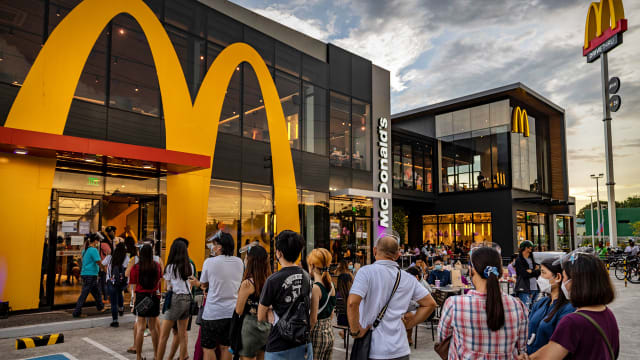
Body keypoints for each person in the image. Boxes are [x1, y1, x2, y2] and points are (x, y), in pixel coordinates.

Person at [348, 234, 436, 360]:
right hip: (400, 348)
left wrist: (355, 331)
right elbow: (430, 304)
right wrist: (411, 323)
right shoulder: (408, 278)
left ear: (374, 250)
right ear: (398, 255)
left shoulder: (365, 272)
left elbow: (352, 303)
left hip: (373, 349)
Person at [521, 250, 619, 360]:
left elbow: (548, 356)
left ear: (576, 282)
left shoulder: (573, 321)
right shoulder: (608, 314)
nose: (563, 283)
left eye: (564, 278)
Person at [438, 244, 529, 358]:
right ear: (500, 271)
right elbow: (522, 347)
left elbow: (442, 338)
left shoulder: (454, 304)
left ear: (471, 270)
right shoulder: (518, 306)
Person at [258, 230, 313, 359]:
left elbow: (260, 316)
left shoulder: (272, 280)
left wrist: (270, 311)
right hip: (304, 344)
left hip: (278, 345)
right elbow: (313, 317)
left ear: (279, 253)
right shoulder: (308, 278)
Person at [199, 232, 243, 360]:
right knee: (226, 347)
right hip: (231, 313)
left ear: (219, 247)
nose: (212, 247)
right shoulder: (239, 262)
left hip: (212, 313)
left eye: (214, 245)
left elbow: (203, 282)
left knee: (208, 348)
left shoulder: (209, 262)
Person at [156, 239, 196, 360]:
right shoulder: (189, 266)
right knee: (182, 334)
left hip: (176, 299)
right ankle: (183, 356)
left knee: (164, 335)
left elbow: (167, 287)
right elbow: (191, 282)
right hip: (187, 299)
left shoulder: (170, 267)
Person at [526, 257, 575, 354]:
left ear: (558, 277)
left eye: (543, 273)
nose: (540, 278)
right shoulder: (542, 303)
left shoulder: (568, 308)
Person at [234, 245, 272, 360]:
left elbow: (239, 310)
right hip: (266, 327)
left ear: (250, 261)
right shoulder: (269, 281)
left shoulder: (247, 283)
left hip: (250, 327)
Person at [130, 243, 163, 360]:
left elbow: (133, 287)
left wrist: (134, 301)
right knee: (153, 328)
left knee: (140, 328)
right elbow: (159, 281)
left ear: (141, 253)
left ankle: (138, 356)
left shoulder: (135, 267)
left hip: (140, 297)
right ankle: (156, 355)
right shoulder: (157, 266)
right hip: (153, 297)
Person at [308, 248, 336, 360]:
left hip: (317, 334)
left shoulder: (315, 288)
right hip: (329, 331)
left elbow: (313, 319)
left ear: (313, 265)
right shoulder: (331, 285)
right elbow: (332, 314)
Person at [72, 233, 105, 317]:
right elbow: (98, 261)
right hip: (91, 274)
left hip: (86, 274)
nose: (98, 242)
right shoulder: (93, 250)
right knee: (84, 294)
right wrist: (104, 269)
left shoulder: (85, 250)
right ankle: (77, 312)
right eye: (98, 240)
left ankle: (100, 307)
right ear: (95, 241)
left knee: (97, 292)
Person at [102, 242, 130, 327]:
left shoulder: (110, 257)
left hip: (111, 281)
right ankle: (121, 308)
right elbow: (128, 269)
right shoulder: (126, 258)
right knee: (119, 293)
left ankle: (115, 321)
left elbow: (102, 264)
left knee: (113, 302)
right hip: (121, 282)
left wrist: (107, 271)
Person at [515, 240, 540, 308]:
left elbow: (539, 272)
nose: (532, 249)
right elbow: (524, 274)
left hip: (535, 288)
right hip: (524, 289)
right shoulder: (519, 260)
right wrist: (534, 271)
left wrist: (531, 271)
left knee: (534, 309)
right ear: (526, 248)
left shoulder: (533, 259)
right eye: (530, 247)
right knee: (525, 310)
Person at [99, 225, 116, 301]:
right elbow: (109, 253)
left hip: (103, 266)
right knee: (105, 283)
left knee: (103, 283)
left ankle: (105, 298)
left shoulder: (102, 244)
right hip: (107, 266)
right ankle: (106, 298)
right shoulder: (106, 244)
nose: (110, 233)